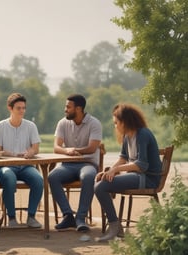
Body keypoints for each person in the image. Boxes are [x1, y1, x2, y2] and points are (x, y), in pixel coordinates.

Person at [94, 103, 162, 242]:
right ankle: (115, 226)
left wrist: (116, 170)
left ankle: (114, 227)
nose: (115, 126)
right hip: (137, 176)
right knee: (101, 183)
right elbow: (123, 158)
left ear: (125, 121)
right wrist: (108, 171)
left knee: (101, 187)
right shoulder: (127, 136)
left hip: (147, 178)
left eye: (116, 123)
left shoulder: (143, 134)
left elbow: (142, 165)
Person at [48, 94, 102, 232]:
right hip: (67, 165)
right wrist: (68, 151)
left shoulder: (94, 123)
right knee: (52, 176)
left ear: (78, 109)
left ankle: (81, 218)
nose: (65, 109)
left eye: (68, 107)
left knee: (88, 176)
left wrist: (76, 150)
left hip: (88, 164)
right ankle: (68, 216)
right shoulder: (62, 123)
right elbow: (56, 147)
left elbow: (92, 148)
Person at [0, 93, 43, 228]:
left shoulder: (31, 126)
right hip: (5, 166)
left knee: (38, 179)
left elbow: (36, 148)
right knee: (9, 178)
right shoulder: (1, 126)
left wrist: (29, 153)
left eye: (23, 108)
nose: (22, 111)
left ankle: (31, 217)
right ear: (10, 108)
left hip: (26, 166)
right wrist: (12, 155)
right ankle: (12, 218)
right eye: (18, 108)